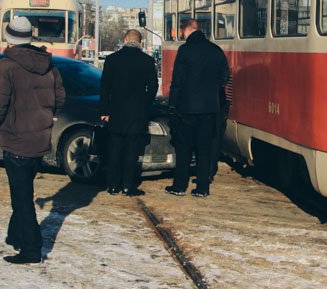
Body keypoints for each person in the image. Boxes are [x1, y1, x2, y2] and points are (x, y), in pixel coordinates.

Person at [0, 15, 66, 265]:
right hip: (39, 139)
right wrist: (45, 118)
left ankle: (31, 249)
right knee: (23, 190)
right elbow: (60, 99)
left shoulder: (4, 67)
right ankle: (15, 235)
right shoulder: (49, 65)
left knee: (22, 198)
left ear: (8, 38)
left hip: (16, 141)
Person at [166, 18, 230, 197]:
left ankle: (179, 186)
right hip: (209, 109)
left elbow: (177, 82)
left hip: (186, 108)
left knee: (184, 148)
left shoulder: (185, 50)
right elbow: (225, 76)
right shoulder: (215, 50)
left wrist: (172, 105)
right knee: (204, 149)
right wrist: (212, 92)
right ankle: (202, 188)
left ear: (186, 30)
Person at [99, 29, 158, 196]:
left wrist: (104, 110)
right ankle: (127, 186)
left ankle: (112, 185)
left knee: (114, 150)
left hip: (115, 112)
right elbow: (153, 86)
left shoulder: (112, 60)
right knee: (132, 151)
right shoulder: (146, 61)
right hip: (136, 113)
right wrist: (145, 103)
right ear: (139, 42)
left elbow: (104, 87)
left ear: (125, 40)